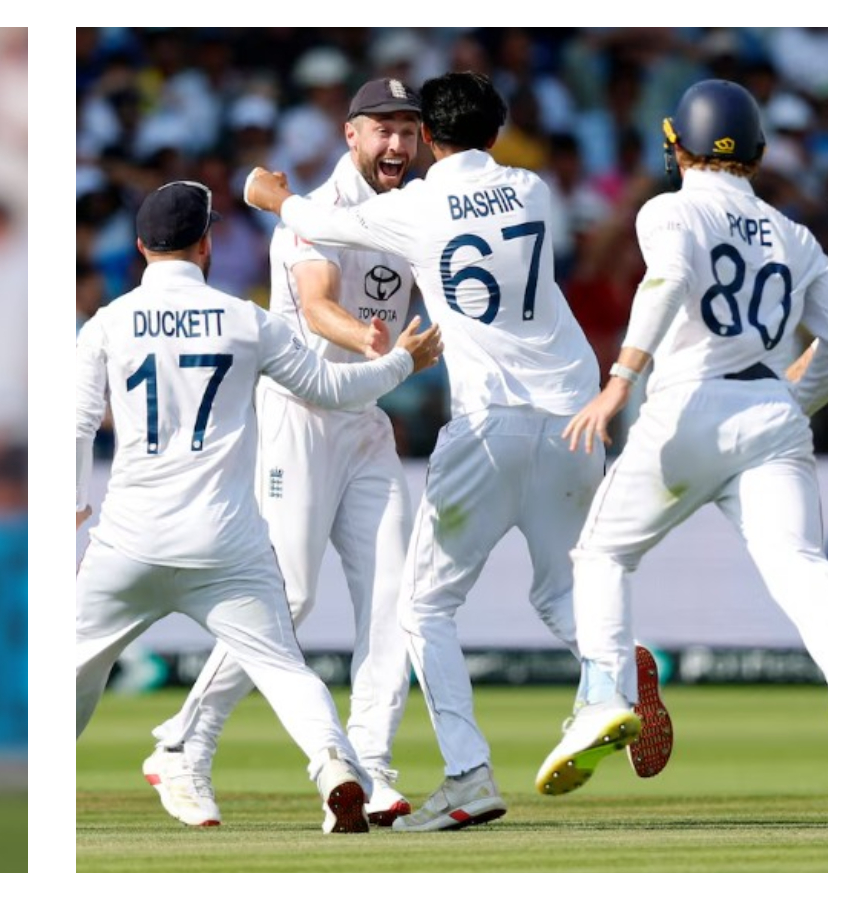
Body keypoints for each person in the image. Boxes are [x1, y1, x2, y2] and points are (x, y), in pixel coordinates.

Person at [243, 70, 668, 832]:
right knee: (563, 587)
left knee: (424, 606)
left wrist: (272, 198)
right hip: (574, 416)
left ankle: (470, 775)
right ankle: (611, 678)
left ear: (431, 140)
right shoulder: (535, 190)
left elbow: (320, 223)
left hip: (488, 422)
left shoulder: (415, 205)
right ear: (498, 134)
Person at [76, 180, 443, 834]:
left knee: (68, 669)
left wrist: (70, 505)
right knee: (283, 666)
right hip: (224, 544)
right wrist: (399, 365)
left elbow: (75, 424)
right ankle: (335, 764)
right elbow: (329, 388)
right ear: (207, 244)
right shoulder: (247, 320)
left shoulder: (107, 323)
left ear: (139, 248)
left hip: (127, 540)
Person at [143, 77, 424, 829]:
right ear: (351, 135)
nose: (398, 143)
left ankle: (369, 767)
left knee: (395, 599)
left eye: (409, 130)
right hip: (299, 417)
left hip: (365, 421)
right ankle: (184, 745)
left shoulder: (411, 211)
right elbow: (320, 300)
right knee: (290, 597)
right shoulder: (316, 215)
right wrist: (370, 342)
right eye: (383, 129)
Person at [536, 79, 830, 795]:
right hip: (772, 417)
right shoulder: (795, 235)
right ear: (756, 154)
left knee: (602, 553)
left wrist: (620, 382)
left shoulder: (670, 210)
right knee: (803, 573)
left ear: (678, 146)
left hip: (687, 406)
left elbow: (665, 283)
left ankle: (603, 701)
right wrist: (790, 401)